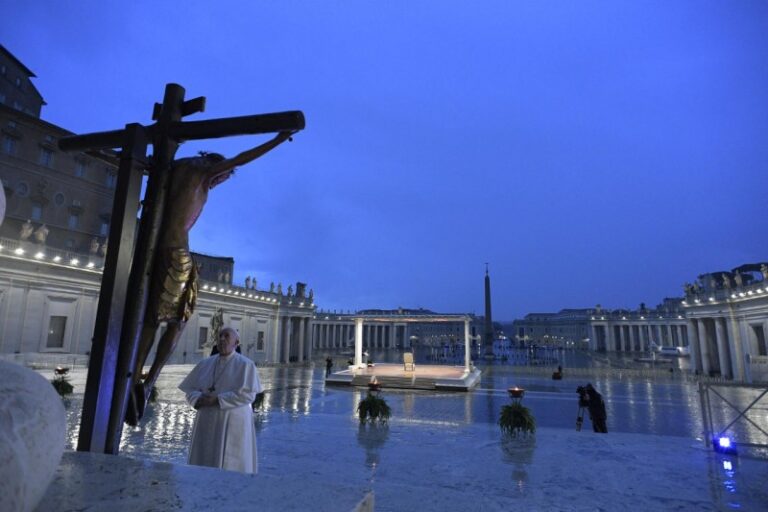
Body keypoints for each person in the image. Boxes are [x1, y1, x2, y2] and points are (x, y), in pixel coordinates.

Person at [126, 131, 294, 425]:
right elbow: (244, 157)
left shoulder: (173, 168)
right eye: (223, 176)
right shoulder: (201, 171)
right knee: (176, 323)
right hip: (176, 252)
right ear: (216, 165)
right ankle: (146, 380)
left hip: (154, 248)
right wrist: (279, 138)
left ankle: (134, 373)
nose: (220, 181)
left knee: (153, 318)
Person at [179, 327, 262, 473]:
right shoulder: (205, 364)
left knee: (230, 465)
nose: (222, 339)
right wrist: (197, 399)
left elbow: (248, 395)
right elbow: (189, 389)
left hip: (232, 421)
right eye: (220, 336)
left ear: (236, 342)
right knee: (203, 462)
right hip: (205, 420)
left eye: (227, 336)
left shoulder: (246, 365)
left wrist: (218, 400)